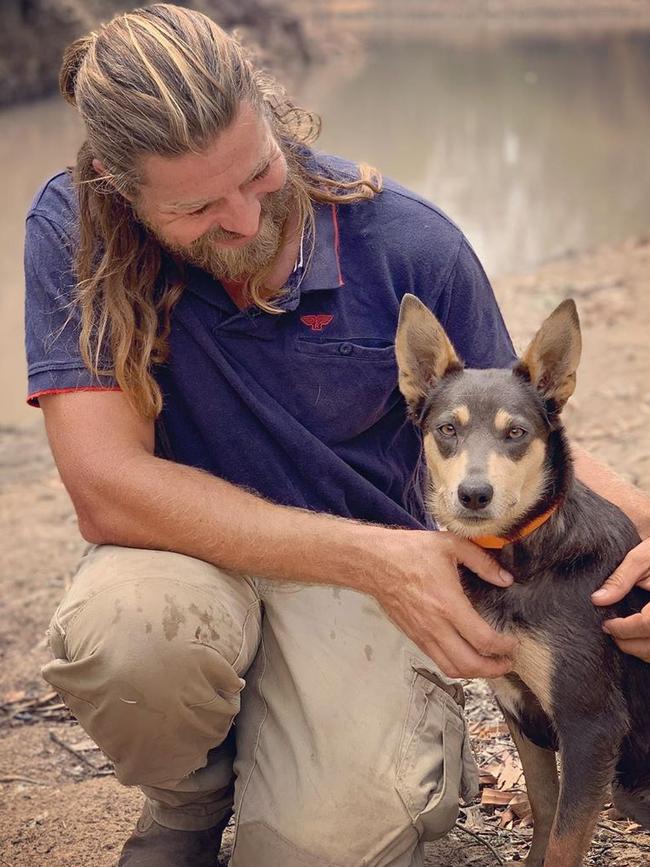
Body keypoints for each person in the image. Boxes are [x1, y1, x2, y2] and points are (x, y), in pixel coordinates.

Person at [24, 4, 650, 866]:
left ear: (275, 115)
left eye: (260, 173)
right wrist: (372, 554)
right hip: (192, 558)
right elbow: (104, 484)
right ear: (116, 185)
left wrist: (647, 532)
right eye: (201, 206)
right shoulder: (74, 229)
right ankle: (189, 800)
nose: (245, 219)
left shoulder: (409, 242)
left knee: (321, 849)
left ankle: (323, 759)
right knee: (132, 631)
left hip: (364, 600)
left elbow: (516, 429)